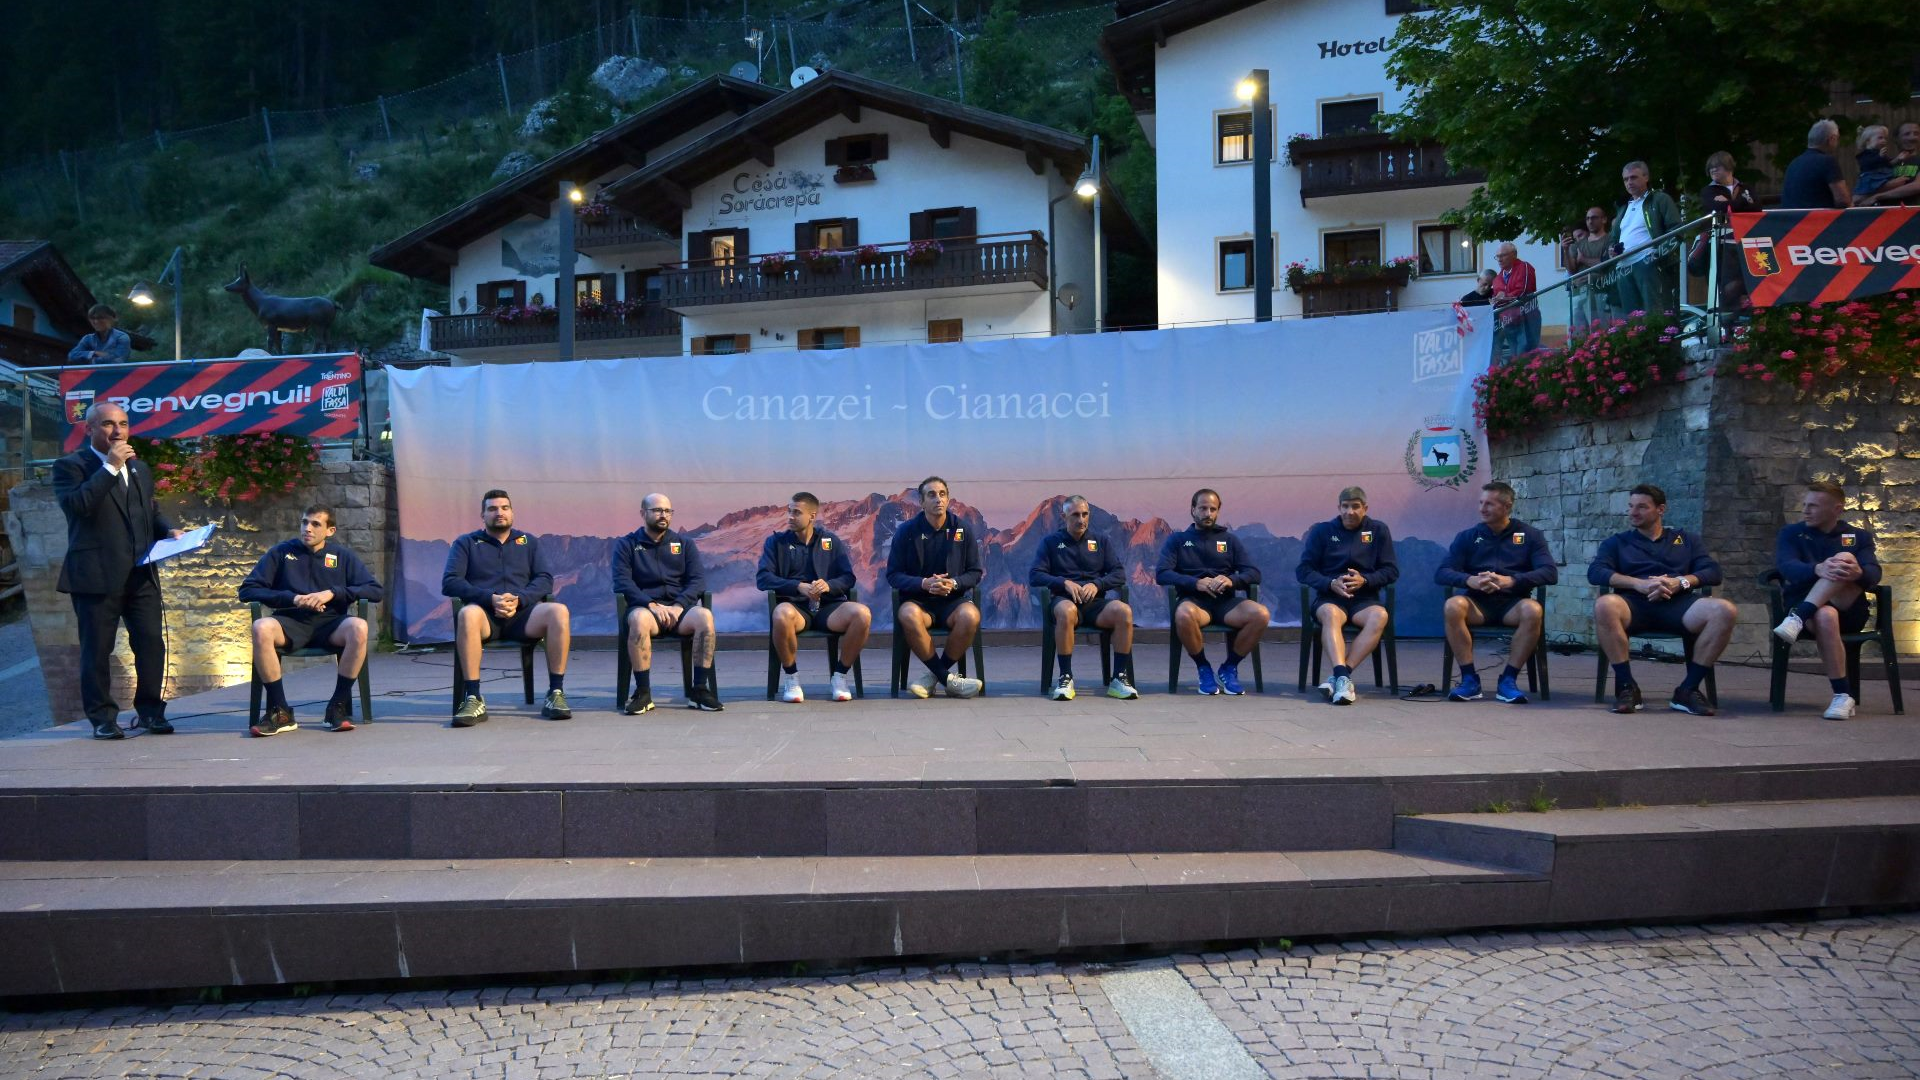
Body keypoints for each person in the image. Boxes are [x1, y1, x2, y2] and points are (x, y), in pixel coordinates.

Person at [52, 401, 185, 739]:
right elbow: (79, 506)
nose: (117, 431)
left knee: (151, 644)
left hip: (140, 574)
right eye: (108, 424)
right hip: (95, 575)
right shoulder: (70, 466)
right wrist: (110, 466)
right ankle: (102, 719)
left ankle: (151, 712)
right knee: (97, 650)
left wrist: (168, 530)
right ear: (89, 429)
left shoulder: (139, 468)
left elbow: (149, 512)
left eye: (123, 424)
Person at [1588, 483, 1738, 716]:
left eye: (1641, 507)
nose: (1633, 512)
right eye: (1630, 506)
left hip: (1678, 605)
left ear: (1661, 509)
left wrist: (1680, 582)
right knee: (1604, 604)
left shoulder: (1686, 539)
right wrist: (1638, 584)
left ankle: (1688, 690)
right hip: (1634, 605)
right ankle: (1627, 687)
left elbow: (1713, 572)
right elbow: (1596, 572)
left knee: (1725, 610)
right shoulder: (1617, 542)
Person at [238, 505, 383, 736]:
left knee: (359, 627)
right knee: (261, 627)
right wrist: (293, 598)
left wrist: (333, 593)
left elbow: (374, 590)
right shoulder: (281, 552)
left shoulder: (342, 556)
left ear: (330, 531)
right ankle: (280, 711)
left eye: (316, 524)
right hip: (289, 622)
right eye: (305, 522)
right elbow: (247, 590)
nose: (308, 528)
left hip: (330, 624)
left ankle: (337, 706)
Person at [442, 489, 572, 725]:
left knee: (558, 611)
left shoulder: (529, 542)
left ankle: (555, 693)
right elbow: (450, 582)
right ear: (483, 515)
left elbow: (544, 579)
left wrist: (520, 599)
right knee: (467, 613)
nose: (499, 513)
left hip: (523, 616)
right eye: (492, 509)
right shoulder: (466, 543)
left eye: (504, 508)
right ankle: (473, 698)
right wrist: (490, 598)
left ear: (512, 513)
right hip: (485, 616)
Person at [1435, 481, 1558, 704]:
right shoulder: (1467, 536)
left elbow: (1549, 572)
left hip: (1513, 603)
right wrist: (1470, 580)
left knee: (1533, 610)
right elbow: (1442, 572)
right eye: (1481, 503)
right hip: (1477, 604)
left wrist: (1510, 581)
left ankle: (1508, 680)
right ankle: (1469, 679)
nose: (1482, 509)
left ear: (1507, 506)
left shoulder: (1530, 535)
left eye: (1489, 504)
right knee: (1452, 606)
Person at [1771, 481, 1881, 721]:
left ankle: (1798, 617)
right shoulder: (1791, 533)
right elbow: (1787, 567)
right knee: (1825, 614)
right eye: (1805, 505)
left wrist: (1859, 573)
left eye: (1813, 506)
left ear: (1837, 509)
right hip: (1807, 604)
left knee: (1845, 557)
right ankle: (1842, 695)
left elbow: (1874, 573)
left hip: (1848, 608)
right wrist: (1818, 569)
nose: (1805, 511)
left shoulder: (1858, 536)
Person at [757, 491, 870, 704]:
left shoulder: (830, 541)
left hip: (829, 608)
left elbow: (848, 577)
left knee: (862, 614)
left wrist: (829, 585)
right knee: (780, 614)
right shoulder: (776, 542)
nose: (790, 516)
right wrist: (797, 587)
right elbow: (763, 578)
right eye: (789, 511)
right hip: (796, 608)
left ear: (812, 516)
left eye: (796, 513)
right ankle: (792, 678)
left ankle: (840, 676)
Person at [615, 492, 723, 713]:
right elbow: (622, 583)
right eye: (657, 510)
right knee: (638, 619)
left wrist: (679, 605)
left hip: (678, 611)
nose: (663, 515)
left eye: (667, 511)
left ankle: (699, 691)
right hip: (647, 610)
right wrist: (651, 604)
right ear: (643, 513)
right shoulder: (626, 544)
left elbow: (698, 581)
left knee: (705, 616)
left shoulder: (684, 544)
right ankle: (643, 693)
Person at [1156, 488, 1268, 696]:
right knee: (1183, 614)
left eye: (1213, 509)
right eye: (1203, 508)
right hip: (1194, 602)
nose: (1208, 513)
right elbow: (1162, 574)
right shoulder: (1177, 540)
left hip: (1226, 604)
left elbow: (1253, 573)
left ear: (1218, 511)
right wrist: (1195, 583)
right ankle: (1203, 668)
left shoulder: (1230, 540)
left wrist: (1231, 580)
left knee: (1260, 614)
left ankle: (1229, 667)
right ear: (1192, 510)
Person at [1028, 494, 1139, 701]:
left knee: (1124, 612)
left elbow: (1119, 574)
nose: (1081, 520)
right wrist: (1063, 582)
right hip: (1064, 601)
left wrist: (1097, 584)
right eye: (1075, 515)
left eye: (1085, 514)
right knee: (1066, 611)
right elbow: (1035, 575)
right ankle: (1066, 678)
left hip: (1096, 605)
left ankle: (1118, 678)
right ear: (1064, 517)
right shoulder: (1050, 543)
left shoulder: (1101, 541)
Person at [1295, 486, 1397, 705]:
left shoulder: (1378, 530)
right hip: (1329, 598)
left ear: (1365, 508)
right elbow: (1303, 570)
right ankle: (1342, 678)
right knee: (1331, 614)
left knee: (1380, 616)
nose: (1350, 512)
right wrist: (1330, 583)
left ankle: (1341, 676)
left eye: (1355, 507)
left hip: (1365, 600)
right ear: (1339, 507)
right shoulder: (1322, 531)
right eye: (1345, 506)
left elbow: (1391, 571)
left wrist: (1365, 580)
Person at [886, 476, 985, 698]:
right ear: (921, 502)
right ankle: (948, 679)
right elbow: (893, 575)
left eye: (942, 494)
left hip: (953, 600)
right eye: (931, 495)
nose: (938, 499)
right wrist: (923, 583)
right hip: (918, 601)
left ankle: (934, 677)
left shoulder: (962, 528)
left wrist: (954, 583)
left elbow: (975, 572)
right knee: (908, 614)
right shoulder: (907, 531)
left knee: (970, 616)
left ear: (948, 499)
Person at [1609, 161, 1682, 316]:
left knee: (1655, 311)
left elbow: (1676, 230)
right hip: (1623, 266)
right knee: (1632, 317)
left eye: (1633, 177)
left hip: (1648, 261)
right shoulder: (1623, 208)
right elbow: (1613, 239)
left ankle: (1660, 333)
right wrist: (1612, 250)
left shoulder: (1660, 199)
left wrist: (1657, 254)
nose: (1629, 182)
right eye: (1626, 179)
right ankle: (1639, 334)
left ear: (1646, 177)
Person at [1698, 153, 1760, 312]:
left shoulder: (1746, 188)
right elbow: (1716, 208)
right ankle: (1727, 319)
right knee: (1726, 286)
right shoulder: (1708, 191)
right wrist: (1742, 202)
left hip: (1747, 242)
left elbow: (1756, 208)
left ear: (1729, 167)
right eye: (1710, 168)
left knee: (1752, 280)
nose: (1712, 170)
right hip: (1721, 246)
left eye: (1717, 166)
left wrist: (1729, 204)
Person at [1781, 120, 1851, 210]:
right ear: (1832, 139)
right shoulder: (1827, 162)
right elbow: (1843, 200)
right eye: (1837, 138)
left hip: (1791, 218)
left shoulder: (1794, 163)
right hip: (1819, 218)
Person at [1564, 209, 1615, 331]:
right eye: (1587, 218)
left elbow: (1607, 263)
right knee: (1578, 334)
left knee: (1600, 331)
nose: (1590, 221)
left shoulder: (1610, 239)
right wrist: (1565, 250)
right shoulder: (1577, 245)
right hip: (1578, 293)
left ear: (1604, 219)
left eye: (1594, 217)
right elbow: (1571, 271)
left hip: (1601, 292)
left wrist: (1584, 259)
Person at [1490, 242, 1540, 357]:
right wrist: (1499, 299)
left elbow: (1523, 292)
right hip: (1508, 321)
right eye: (1497, 256)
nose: (1499, 259)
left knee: (1526, 353)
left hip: (1526, 316)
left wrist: (1503, 297)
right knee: (1515, 355)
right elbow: (1496, 301)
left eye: (1503, 255)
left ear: (1514, 254)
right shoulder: (1497, 279)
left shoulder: (1524, 267)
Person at [1863, 122, 1920, 206]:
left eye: (1916, 134)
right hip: (1885, 211)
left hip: (1914, 211)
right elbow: (1869, 186)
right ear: (1896, 139)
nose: (1912, 137)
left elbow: (1917, 186)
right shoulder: (1887, 163)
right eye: (1907, 134)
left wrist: (1879, 196)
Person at [66, 304, 132, 364]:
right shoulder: (88, 338)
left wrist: (90, 360)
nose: (96, 321)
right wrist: (94, 353)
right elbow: (72, 355)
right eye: (92, 318)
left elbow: (118, 361)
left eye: (101, 318)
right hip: (92, 373)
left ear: (112, 318)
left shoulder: (121, 337)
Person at [1854, 125, 1900, 202]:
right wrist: (1879, 156)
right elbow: (1866, 164)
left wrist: (1898, 159)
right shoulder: (1864, 154)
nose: (1884, 140)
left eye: (1885, 138)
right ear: (1868, 141)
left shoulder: (1880, 153)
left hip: (1884, 175)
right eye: (1880, 138)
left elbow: (1888, 163)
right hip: (1873, 178)